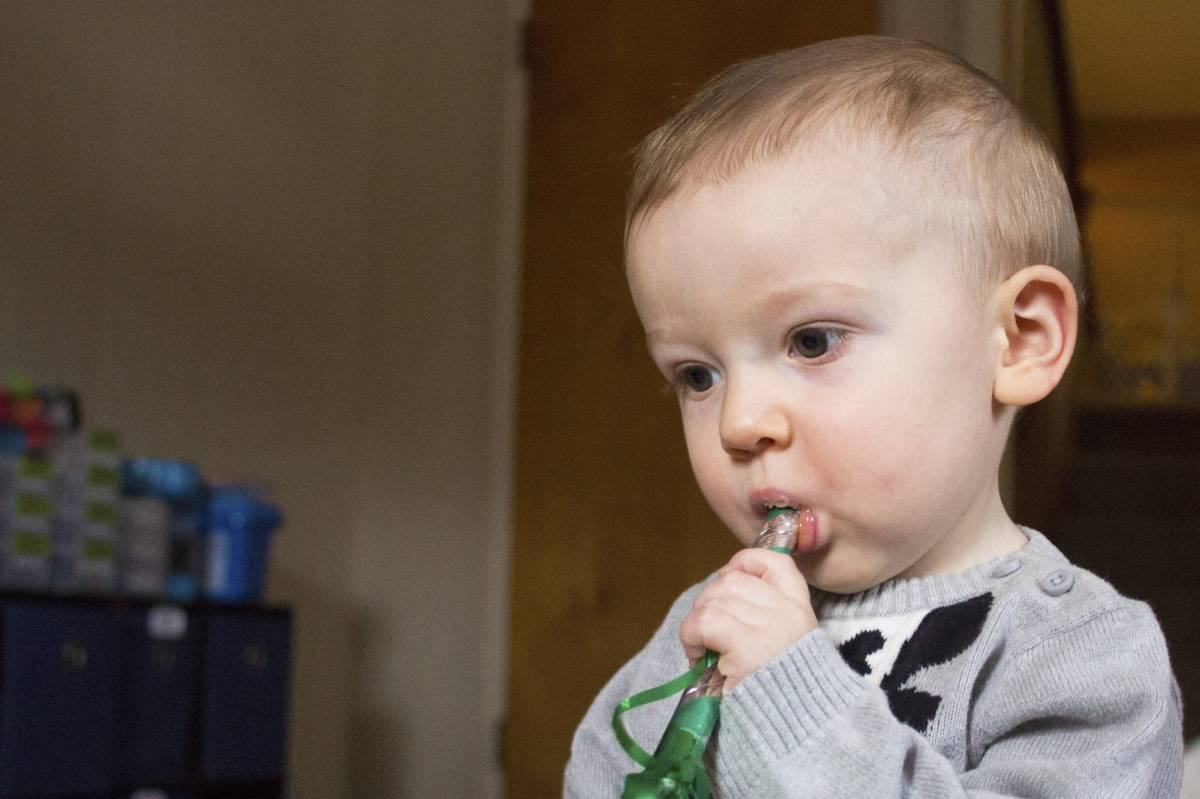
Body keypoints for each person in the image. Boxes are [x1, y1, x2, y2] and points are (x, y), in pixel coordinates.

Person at [564, 36, 1183, 797]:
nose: (739, 421)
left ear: (1020, 339)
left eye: (812, 340)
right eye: (697, 374)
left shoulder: (1081, 656)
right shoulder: (705, 627)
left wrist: (793, 692)